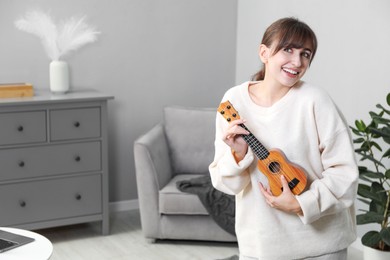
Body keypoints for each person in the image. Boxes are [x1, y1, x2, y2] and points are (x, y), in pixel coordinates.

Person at [209, 17, 358, 260]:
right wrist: (238, 154)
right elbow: (227, 184)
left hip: (322, 245)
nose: (297, 61)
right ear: (264, 53)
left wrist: (302, 204)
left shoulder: (315, 100)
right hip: (262, 245)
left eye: (306, 54)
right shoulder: (233, 101)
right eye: (288, 49)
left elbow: (345, 174)